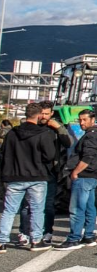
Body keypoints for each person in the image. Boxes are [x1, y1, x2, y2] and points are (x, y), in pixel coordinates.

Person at [0, 103, 58, 252]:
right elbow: (50, 155)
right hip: (37, 176)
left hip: (14, 176)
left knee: (9, 211)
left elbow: (4, 153)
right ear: (39, 116)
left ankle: (1, 241)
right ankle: (36, 241)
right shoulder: (43, 133)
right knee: (37, 210)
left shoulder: (12, 133)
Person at [20, 101, 70, 246]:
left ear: (51, 114)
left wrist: (59, 128)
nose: (43, 117)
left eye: (46, 114)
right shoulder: (29, 127)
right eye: (41, 113)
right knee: (27, 205)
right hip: (30, 171)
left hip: (50, 172)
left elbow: (68, 143)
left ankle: (47, 231)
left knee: (48, 205)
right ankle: (25, 232)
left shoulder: (55, 128)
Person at [57, 110, 97, 249]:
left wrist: (75, 172)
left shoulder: (91, 136)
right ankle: (88, 236)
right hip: (91, 177)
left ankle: (74, 239)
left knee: (77, 208)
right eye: (80, 120)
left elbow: (88, 157)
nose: (81, 123)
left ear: (93, 119)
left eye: (84, 120)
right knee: (89, 207)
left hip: (84, 176)